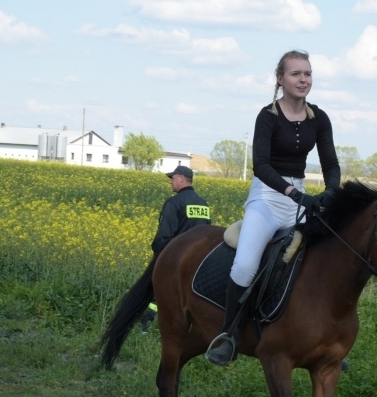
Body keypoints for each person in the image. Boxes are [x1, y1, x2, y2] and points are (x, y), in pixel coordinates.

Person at [205, 49, 341, 367]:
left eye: (307, 73)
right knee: (244, 265)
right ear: (280, 79)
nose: (303, 79)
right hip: (267, 198)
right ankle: (229, 336)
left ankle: (323, 336)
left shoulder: (319, 117)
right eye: (296, 73)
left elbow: (330, 161)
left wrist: (332, 192)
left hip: (301, 199)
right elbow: (261, 165)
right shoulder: (267, 116)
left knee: (324, 260)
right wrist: (293, 193)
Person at [140, 165, 211, 332]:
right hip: (200, 261)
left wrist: (158, 256)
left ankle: (146, 325)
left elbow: (163, 235)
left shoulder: (174, 203)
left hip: (176, 259)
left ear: (181, 179)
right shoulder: (203, 204)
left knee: (157, 292)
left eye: (173, 178)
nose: (171, 182)